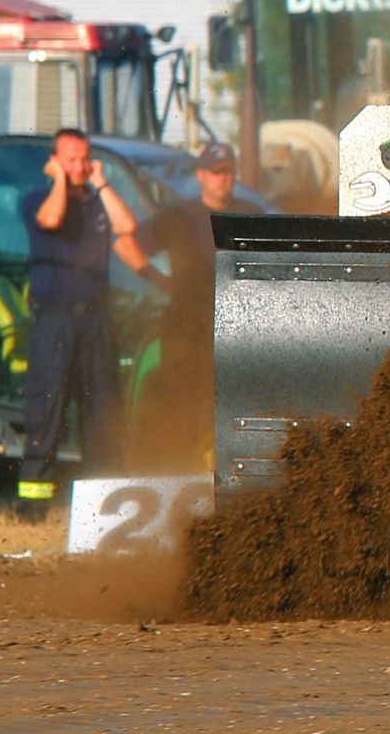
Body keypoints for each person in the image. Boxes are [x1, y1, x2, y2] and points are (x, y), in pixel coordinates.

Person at [17, 128, 141, 517]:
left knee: (102, 410)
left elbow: (128, 227)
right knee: (47, 408)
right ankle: (34, 506)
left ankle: (101, 505)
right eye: (70, 158)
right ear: (54, 161)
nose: (79, 166)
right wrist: (59, 180)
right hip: (55, 321)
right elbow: (51, 219)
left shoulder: (97, 201)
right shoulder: (37, 197)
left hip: (96, 322)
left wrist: (100, 182)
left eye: (84, 158)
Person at [139, 144, 253, 466]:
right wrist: (157, 280)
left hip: (233, 324)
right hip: (185, 326)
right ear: (202, 175)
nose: (223, 179)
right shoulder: (179, 214)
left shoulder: (246, 215)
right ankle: (178, 468)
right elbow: (130, 242)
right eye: (216, 173)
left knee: (227, 403)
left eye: (228, 172)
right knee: (182, 402)